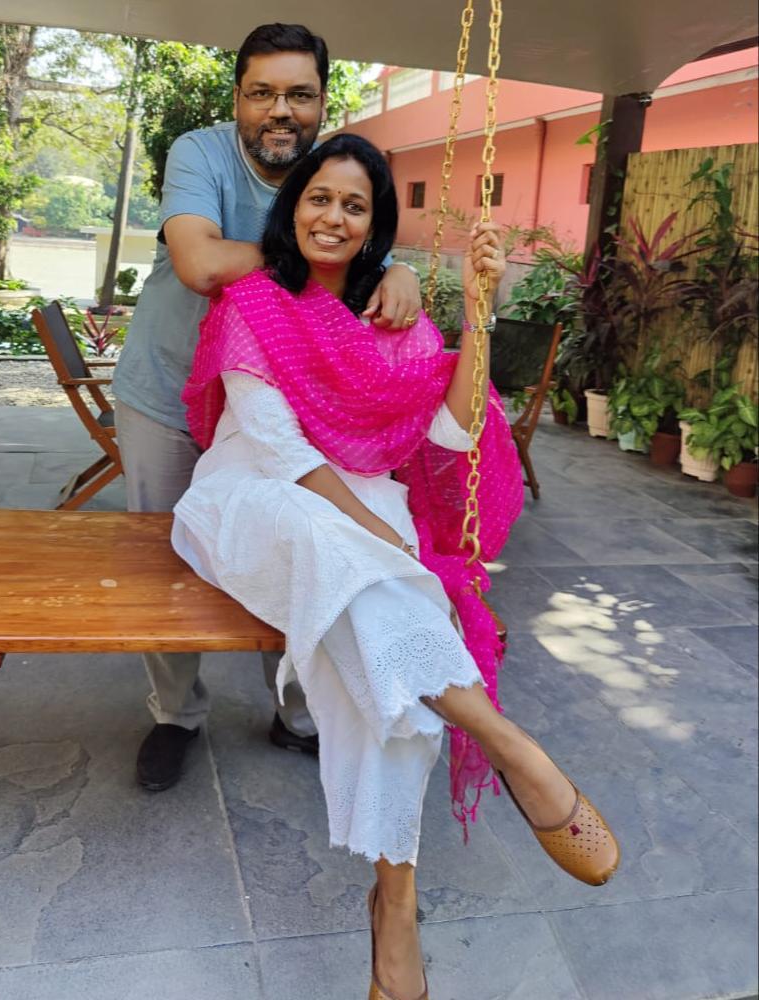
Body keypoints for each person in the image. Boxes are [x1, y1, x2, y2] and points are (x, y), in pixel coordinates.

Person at [172, 133, 620, 1000]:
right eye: (318, 198)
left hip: (360, 503)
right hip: (250, 498)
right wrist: (384, 551)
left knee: (390, 688)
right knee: (359, 570)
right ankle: (507, 743)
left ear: (374, 225)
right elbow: (279, 451)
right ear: (291, 204)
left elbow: (449, 437)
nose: (331, 217)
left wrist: (478, 309)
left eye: (354, 205)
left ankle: (396, 908)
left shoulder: (393, 318)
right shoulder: (253, 303)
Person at [111, 24, 422, 791]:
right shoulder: (201, 154)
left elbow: (362, 232)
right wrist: (320, 257)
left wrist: (398, 267)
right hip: (167, 392)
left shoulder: (330, 168)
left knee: (292, 543)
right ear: (239, 98)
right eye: (262, 93)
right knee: (166, 561)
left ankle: (295, 710)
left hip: (281, 405)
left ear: (322, 101)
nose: (280, 110)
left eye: (300, 94)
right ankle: (175, 714)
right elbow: (201, 263)